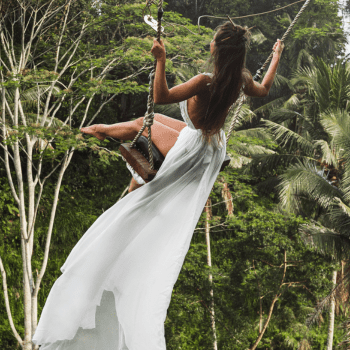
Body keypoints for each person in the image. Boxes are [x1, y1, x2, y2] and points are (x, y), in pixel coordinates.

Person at [32, 21, 283, 350]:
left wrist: (161, 58)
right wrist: (276, 55)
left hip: (194, 147)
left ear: (216, 51)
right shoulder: (241, 80)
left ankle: (98, 132)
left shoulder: (204, 82)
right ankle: (130, 174)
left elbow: (161, 96)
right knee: (143, 130)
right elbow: (264, 89)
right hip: (213, 147)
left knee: (140, 123)